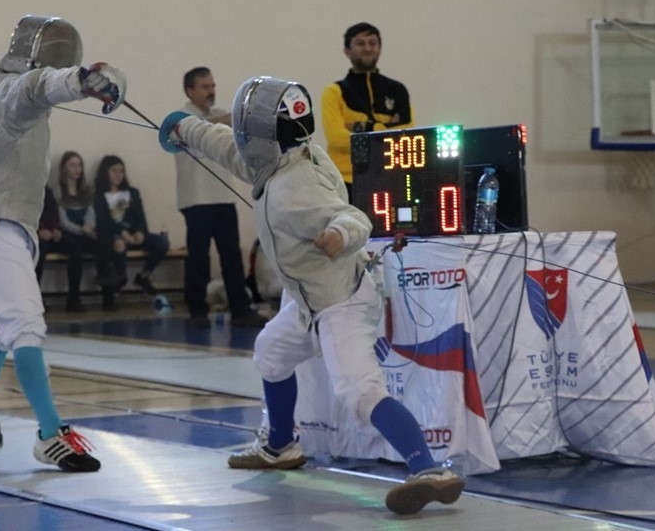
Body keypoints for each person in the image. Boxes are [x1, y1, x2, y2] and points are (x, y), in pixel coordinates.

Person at [159, 76, 463, 515]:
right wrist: (183, 127)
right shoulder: (277, 161)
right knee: (271, 352)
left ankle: (428, 469)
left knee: (358, 391)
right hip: (309, 301)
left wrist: (339, 234)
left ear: (264, 132)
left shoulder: (296, 187)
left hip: (341, 302)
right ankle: (280, 446)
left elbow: (353, 217)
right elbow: (223, 144)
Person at [0, 15, 124, 473]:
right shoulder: (14, 92)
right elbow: (40, 85)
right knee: (25, 326)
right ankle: (49, 434)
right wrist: (83, 81)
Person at [174, 67, 268, 329]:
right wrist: (234, 118)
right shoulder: (181, 118)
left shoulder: (221, 115)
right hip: (196, 200)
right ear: (190, 90)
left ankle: (240, 309)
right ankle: (197, 311)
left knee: (232, 256)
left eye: (212, 85)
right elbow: (200, 132)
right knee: (198, 258)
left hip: (224, 196)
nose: (211, 91)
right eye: (205, 87)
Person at [321, 22, 414, 202]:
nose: (368, 48)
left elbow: (406, 135)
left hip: (389, 179)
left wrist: (362, 128)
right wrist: (385, 129)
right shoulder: (334, 92)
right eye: (360, 43)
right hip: (345, 182)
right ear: (347, 50)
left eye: (373, 43)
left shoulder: (398, 90)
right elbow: (336, 138)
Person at [36, 151, 114, 313]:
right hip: (69, 231)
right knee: (75, 247)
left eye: (79, 165)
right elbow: (62, 219)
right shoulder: (56, 190)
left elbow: (91, 212)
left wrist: (89, 226)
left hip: (84, 231)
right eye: (72, 165)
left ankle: (108, 293)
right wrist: (80, 229)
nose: (77, 169)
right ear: (64, 168)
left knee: (104, 242)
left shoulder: (87, 190)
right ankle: (73, 298)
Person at [93, 155, 169, 311]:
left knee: (162, 243)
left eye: (121, 171)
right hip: (115, 236)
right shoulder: (98, 196)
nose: (118, 174)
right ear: (105, 172)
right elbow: (103, 222)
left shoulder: (132, 193)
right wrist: (122, 233)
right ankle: (119, 280)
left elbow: (140, 217)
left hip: (134, 234)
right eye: (114, 170)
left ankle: (144, 276)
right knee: (118, 247)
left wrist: (140, 232)